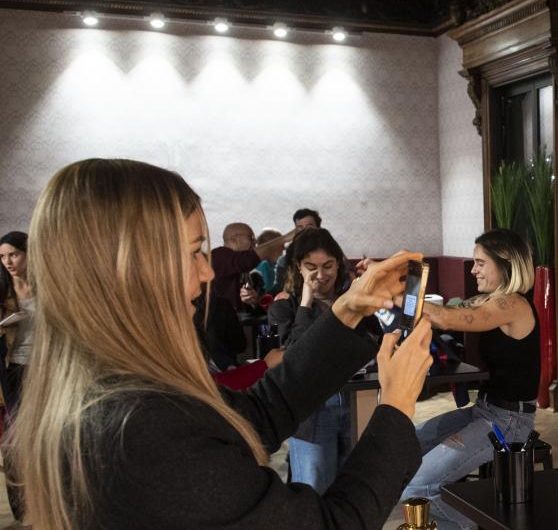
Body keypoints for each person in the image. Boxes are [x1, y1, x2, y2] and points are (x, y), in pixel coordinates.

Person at [4, 158, 433, 529]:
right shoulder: (140, 431)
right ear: (131, 270)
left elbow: (259, 413)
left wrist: (349, 310)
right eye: (194, 253)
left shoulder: (122, 387)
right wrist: (394, 407)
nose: (208, 274)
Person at [400, 228, 539, 530]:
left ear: (505, 264)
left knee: (419, 487)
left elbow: (449, 318)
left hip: (509, 422)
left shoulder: (512, 305)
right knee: (405, 443)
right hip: (486, 410)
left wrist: (405, 295)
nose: (472, 269)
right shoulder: (490, 300)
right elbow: (448, 310)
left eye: (479, 262)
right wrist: (397, 287)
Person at [267, 227, 359, 492]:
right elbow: (294, 358)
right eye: (311, 267)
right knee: (313, 490)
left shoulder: (348, 302)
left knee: (350, 491)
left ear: (338, 264)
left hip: (356, 401)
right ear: (298, 267)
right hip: (312, 411)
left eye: (328, 266)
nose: (321, 275)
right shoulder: (284, 307)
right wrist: (306, 304)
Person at [0, 230, 31, 521]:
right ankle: (21, 508)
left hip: (46, 367)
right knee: (13, 439)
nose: (8, 261)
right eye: (3, 256)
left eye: (14, 254)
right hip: (13, 371)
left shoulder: (49, 286)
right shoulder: (2, 290)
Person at [211, 222, 292, 311]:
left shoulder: (244, 271)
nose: (255, 242)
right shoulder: (218, 255)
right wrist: (284, 238)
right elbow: (248, 259)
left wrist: (256, 300)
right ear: (234, 239)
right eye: (251, 237)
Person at [254, 228, 284, 295]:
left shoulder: (260, 264)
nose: (283, 249)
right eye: (281, 246)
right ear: (272, 249)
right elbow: (267, 291)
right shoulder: (265, 266)